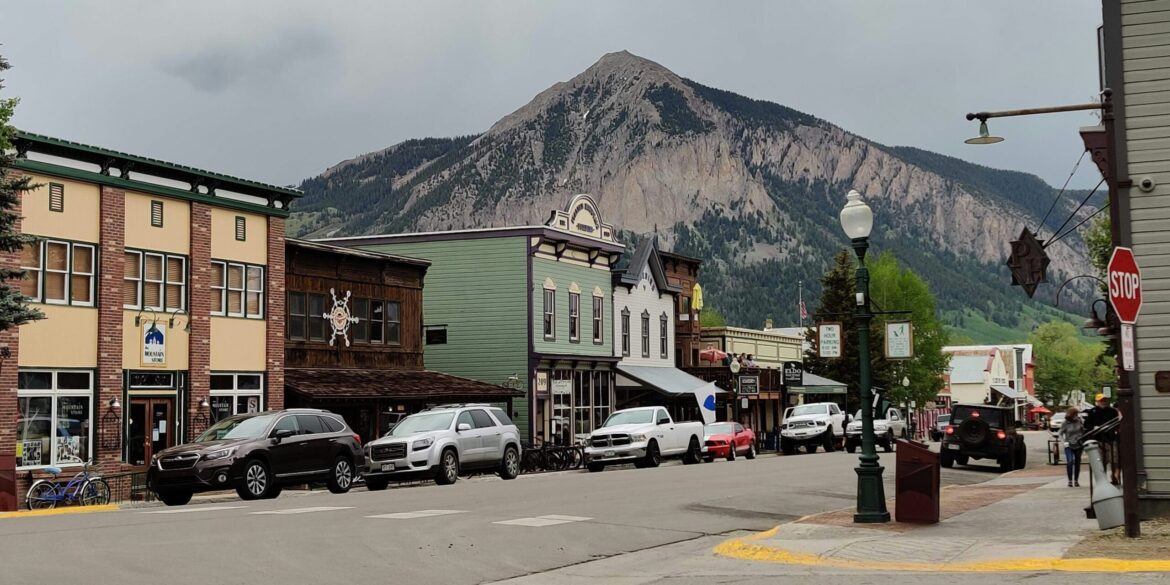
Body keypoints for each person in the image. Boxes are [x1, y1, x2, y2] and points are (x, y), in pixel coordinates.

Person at [1084, 393, 1121, 485]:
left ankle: (1114, 476)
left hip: (1111, 439)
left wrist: (1112, 428)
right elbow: (1086, 425)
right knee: (1100, 461)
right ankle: (1102, 480)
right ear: (1097, 402)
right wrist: (1094, 427)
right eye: (1101, 401)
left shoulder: (1112, 411)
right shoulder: (1092, 412)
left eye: (1104, 400)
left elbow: (1118, 423)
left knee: (1114, 459)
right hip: (1098, 439)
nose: (1103, 402)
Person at [1058, 407, 1085, 487]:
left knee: (1077, 462)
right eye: (1075, 415)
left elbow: (1083, 431)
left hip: (1079, 444)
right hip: (1069, 445)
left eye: (1077, 415)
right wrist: (1063, 442)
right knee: (1070, 461)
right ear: (1071, 415)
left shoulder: (1079, 421)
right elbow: (1060, 433)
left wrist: (1083, 432)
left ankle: (1076, 480)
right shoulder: (1065, 423)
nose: (1076, 416)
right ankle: (1070, 480)